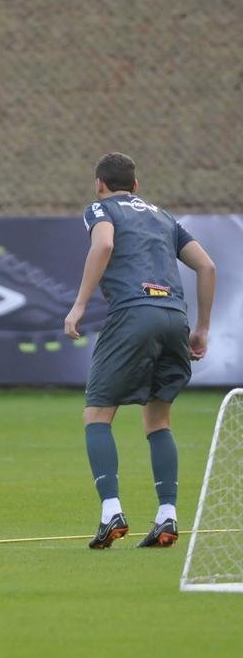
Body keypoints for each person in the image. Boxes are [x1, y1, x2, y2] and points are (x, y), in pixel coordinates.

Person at [64, 152, 215, 549]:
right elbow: (207, 267)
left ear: (99, 183)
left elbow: (104, 244)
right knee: (159, 419)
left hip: (133, 312)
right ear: (136, 185)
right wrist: (200, 328)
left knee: (97, 413)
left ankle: (111, 510)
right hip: (173, 317)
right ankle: (167, 517)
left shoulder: (100, 208)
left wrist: (79, 304)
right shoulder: (164, 217)